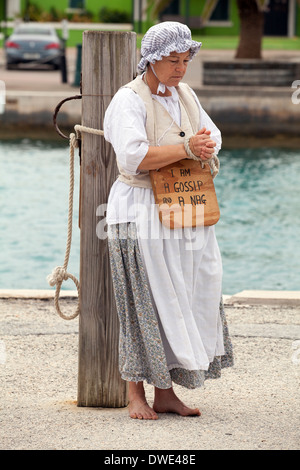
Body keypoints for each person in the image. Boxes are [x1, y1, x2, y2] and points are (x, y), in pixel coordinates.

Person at [103, 21, 233, 420]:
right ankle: (134, 394)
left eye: (185, 60)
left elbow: (211, 133)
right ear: (151, 60)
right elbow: (133, 157)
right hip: (138, 208)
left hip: (182, 206)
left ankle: (166, 393)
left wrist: (206, 144)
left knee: (182, 293)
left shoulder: (186, 95)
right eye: (173, 61)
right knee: (143, 299)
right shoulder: (129, 100)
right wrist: (185, 147)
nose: (180, 68)